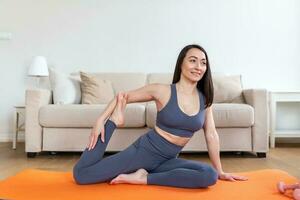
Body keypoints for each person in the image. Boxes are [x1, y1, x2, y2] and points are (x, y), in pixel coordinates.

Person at [73, 44, 248, 188]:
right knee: (81, 175)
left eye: (203, 63)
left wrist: (221, 171)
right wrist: (101, 121)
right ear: (181, 64)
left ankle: (143, 178)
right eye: (193, 61)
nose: (198, 67)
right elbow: (122, 96)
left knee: (209, 176)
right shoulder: (162, 91)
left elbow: (211, 134)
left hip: (168, 161)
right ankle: (114, 122)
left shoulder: (205, 99)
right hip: (142, 153)